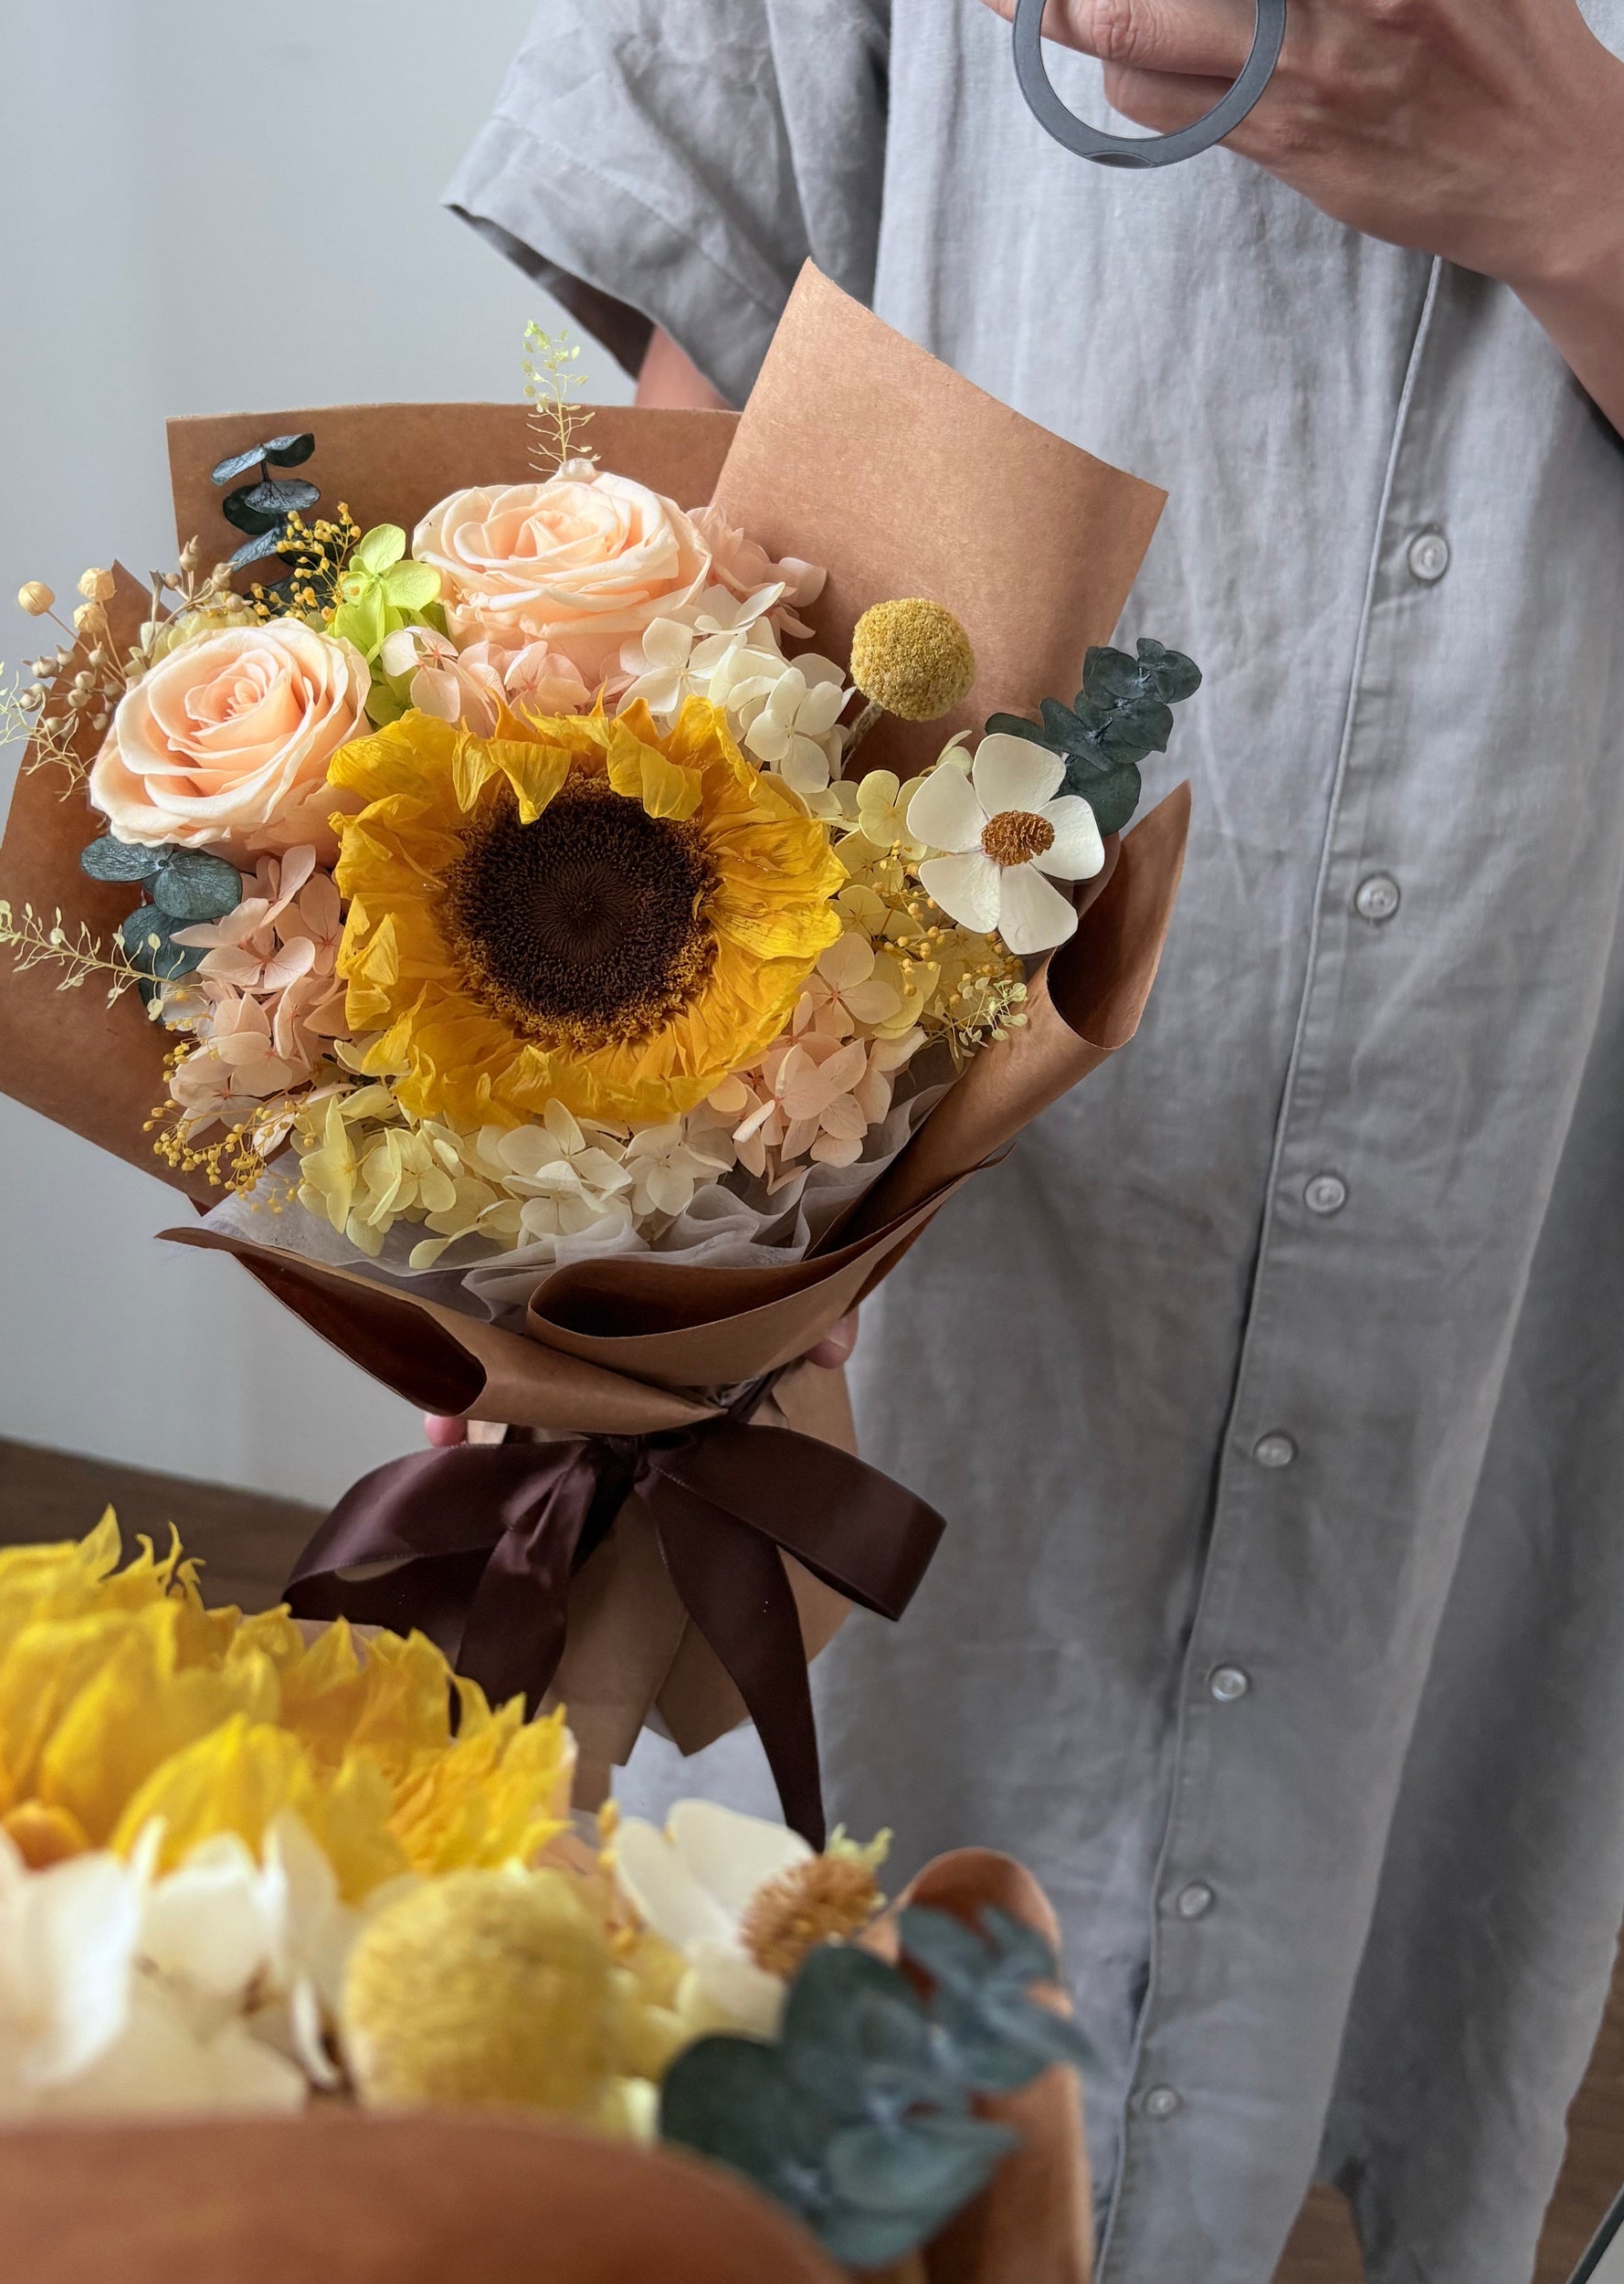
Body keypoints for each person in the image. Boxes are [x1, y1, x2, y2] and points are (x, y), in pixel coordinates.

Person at [438, 6, 1624, 2278]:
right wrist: (647, 1226)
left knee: (1382, 2030)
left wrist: (1576, 196)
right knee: (775, 2049)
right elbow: (693, 516)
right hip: (910, 1231)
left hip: (1511, 1235)